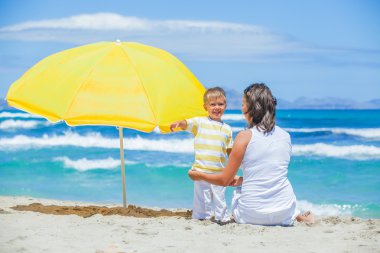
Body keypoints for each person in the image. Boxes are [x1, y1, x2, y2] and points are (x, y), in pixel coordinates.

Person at [188, 83, 314, 225]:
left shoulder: (244, 136)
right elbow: (269, 173)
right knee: (279, 185)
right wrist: (243, 179)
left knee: (239, 191)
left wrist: (198, 175)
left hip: (251, 216)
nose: (241, 109)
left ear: (251, 108)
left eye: (243, 104)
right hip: (284, 214)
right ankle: (298, 215)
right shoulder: (286, 136)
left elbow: (224, 180)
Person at [170, 87, 233, 223]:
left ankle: (222, 219)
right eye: (212, 104)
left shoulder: (227, 129)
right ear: (205, 107)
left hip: (219, 173)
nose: (217, 107)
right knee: (201, 200)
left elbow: (230, 151)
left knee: (219, 198)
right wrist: (179, 123)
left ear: (225, 106)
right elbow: (187, 123)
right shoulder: (200, 123)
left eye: (220, 104)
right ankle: (200, 218)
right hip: (200, 170)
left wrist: (232, 169)